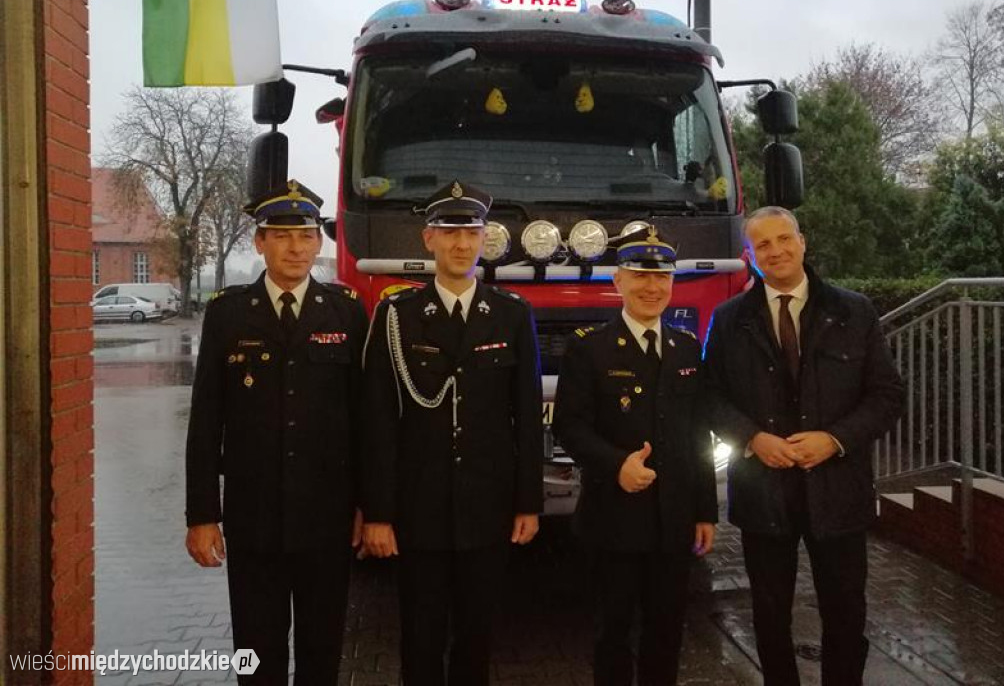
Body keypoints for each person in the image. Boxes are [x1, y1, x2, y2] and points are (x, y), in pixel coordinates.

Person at [703, 206, 904, 686]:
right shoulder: (729, 320)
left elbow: (887, 395)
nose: (775, 251)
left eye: (783, 239)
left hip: (838, 491)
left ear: (802, 242)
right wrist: (752, 438)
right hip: (763, 492)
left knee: (845, 611)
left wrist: (834, 440)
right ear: (749, 256)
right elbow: (709, 396)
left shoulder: (853, 311)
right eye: (762, 245)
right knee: (770, 615)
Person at [360, 180, 544, 686]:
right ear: (428, 240)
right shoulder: (396, 316)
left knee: (477, 639)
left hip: (488, 509)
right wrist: (378, 513)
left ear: (485, 238)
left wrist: (528, 502)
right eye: (449, 232)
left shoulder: (511, 315)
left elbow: (527, 417)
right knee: (419, 638)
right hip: (418, 510)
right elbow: (378, 422)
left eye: (471, 232)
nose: (461, 244)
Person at [184, 180, 368, 685]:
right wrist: (203, 515)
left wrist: (366, 506)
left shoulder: (346, 311)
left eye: (306, 236)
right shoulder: (227, 313)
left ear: (319, 243)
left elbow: (363, 419)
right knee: (256, 653)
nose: (295, 247)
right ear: (259, 242)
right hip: (254, 518)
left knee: (321, 650)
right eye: (281, 236)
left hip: (326, 518)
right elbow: (205, 421)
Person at [553, 228, 718, 686]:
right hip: (614, 520)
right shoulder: (590, 347)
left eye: (662, 277)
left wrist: (705, 510)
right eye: (641, 276)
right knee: (614, 632)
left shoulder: (686, 347)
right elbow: (569, 426)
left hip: (674, 519)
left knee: (667, 632)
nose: (652, 287)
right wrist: (615, 464)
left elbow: (697, 434)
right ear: (618, 282)